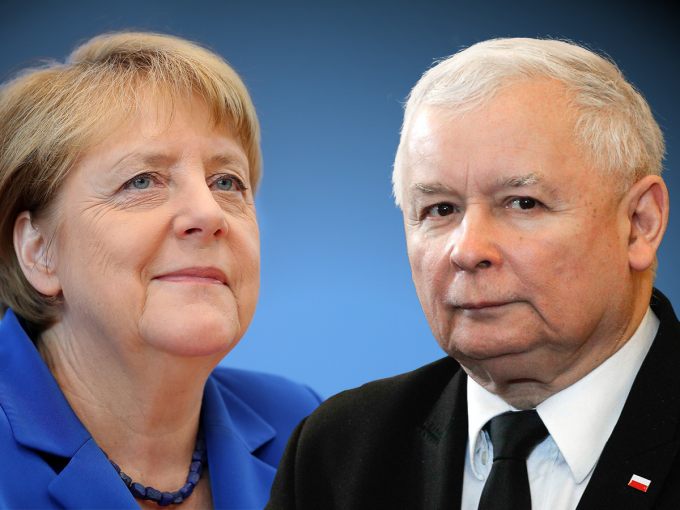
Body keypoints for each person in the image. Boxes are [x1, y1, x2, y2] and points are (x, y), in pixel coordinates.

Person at [267, 38, 678, 509]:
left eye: (523, 203)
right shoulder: (337, 451)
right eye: (440, 209)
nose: (467, 250)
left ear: (639, 224)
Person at [0, 31, 321, 509]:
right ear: (39, 251)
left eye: (226, 182)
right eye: (142, 181)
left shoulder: (303, 425)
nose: (208, 213)